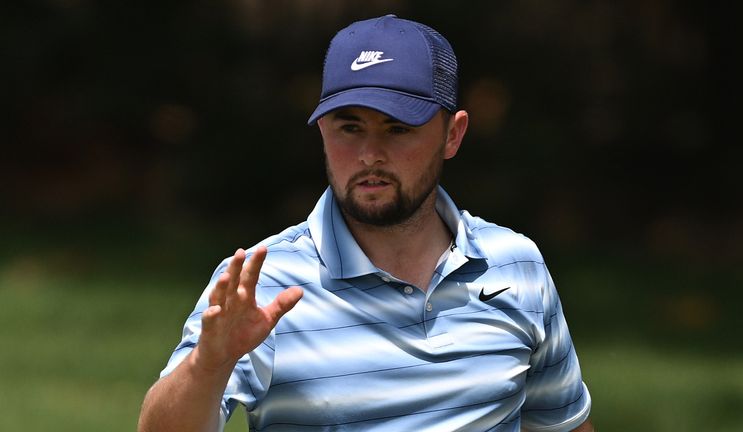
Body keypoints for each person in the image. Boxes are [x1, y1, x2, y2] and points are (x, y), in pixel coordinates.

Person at [138, 14, 593, 432]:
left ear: (453, 135)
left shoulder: (515, 266)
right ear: (321, 130)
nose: (369, 154)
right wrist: (208, 366)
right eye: (349, 127)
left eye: (398, 128)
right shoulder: (262, 282)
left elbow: (563, 425)